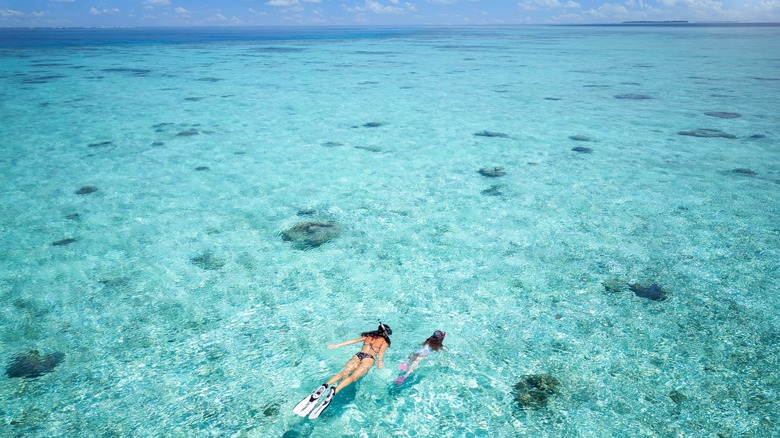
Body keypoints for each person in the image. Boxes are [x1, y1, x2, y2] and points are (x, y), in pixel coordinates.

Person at [293, 321, 392, 419]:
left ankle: (325, 385)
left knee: (343, 373)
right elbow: (382, 351)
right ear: (385, 333)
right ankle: (334, 391)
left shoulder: (368, 336)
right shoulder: (385, 341)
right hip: (369, 358)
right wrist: (380, 361)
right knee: (353, 377)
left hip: (358, 355)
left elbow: (352, 341)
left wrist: (336, 345)